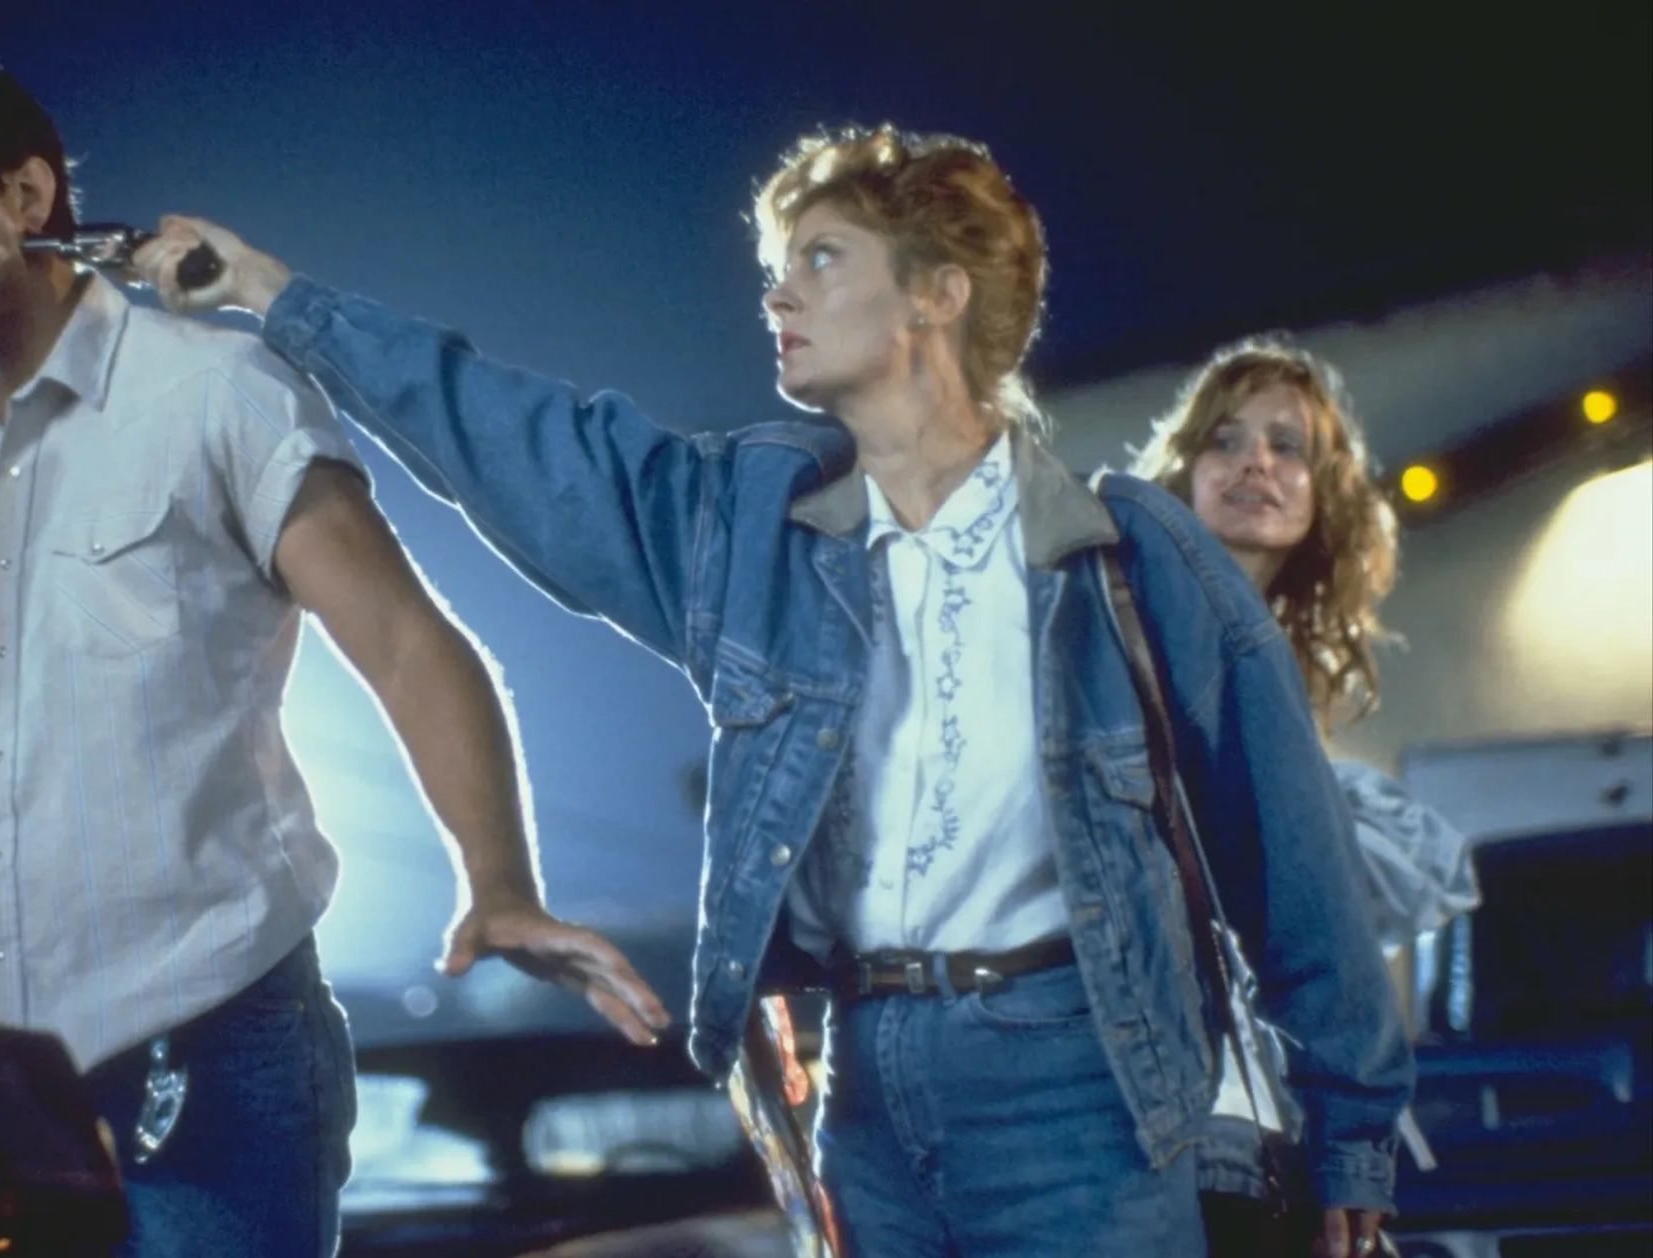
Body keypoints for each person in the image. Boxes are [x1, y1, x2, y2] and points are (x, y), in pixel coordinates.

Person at [131, 124, 1412, 1258]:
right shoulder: (752, 530)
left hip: (1080, 1079)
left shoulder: (1132, 554)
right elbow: (519, 437)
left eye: (821, 261)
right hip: (867, 1080)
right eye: (777, 265)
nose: (777, 294)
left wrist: (1351, 1133)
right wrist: (274, 296)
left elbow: (1288, 853)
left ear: (936, 294)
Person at [0, 37, 667, 1258]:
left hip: (208, 1054)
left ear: (29, 196)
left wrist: (502, 882)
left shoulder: (218, 393)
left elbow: (409, 643)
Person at [1132, 338, 1481, 1250]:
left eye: (1288, 447)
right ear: (1182, 471)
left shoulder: (1282, 675)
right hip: (1151, 1104)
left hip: (1257, 1106)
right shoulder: (1121, 631)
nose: (1257, 463)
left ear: (1324, 488)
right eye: (1226, 441)